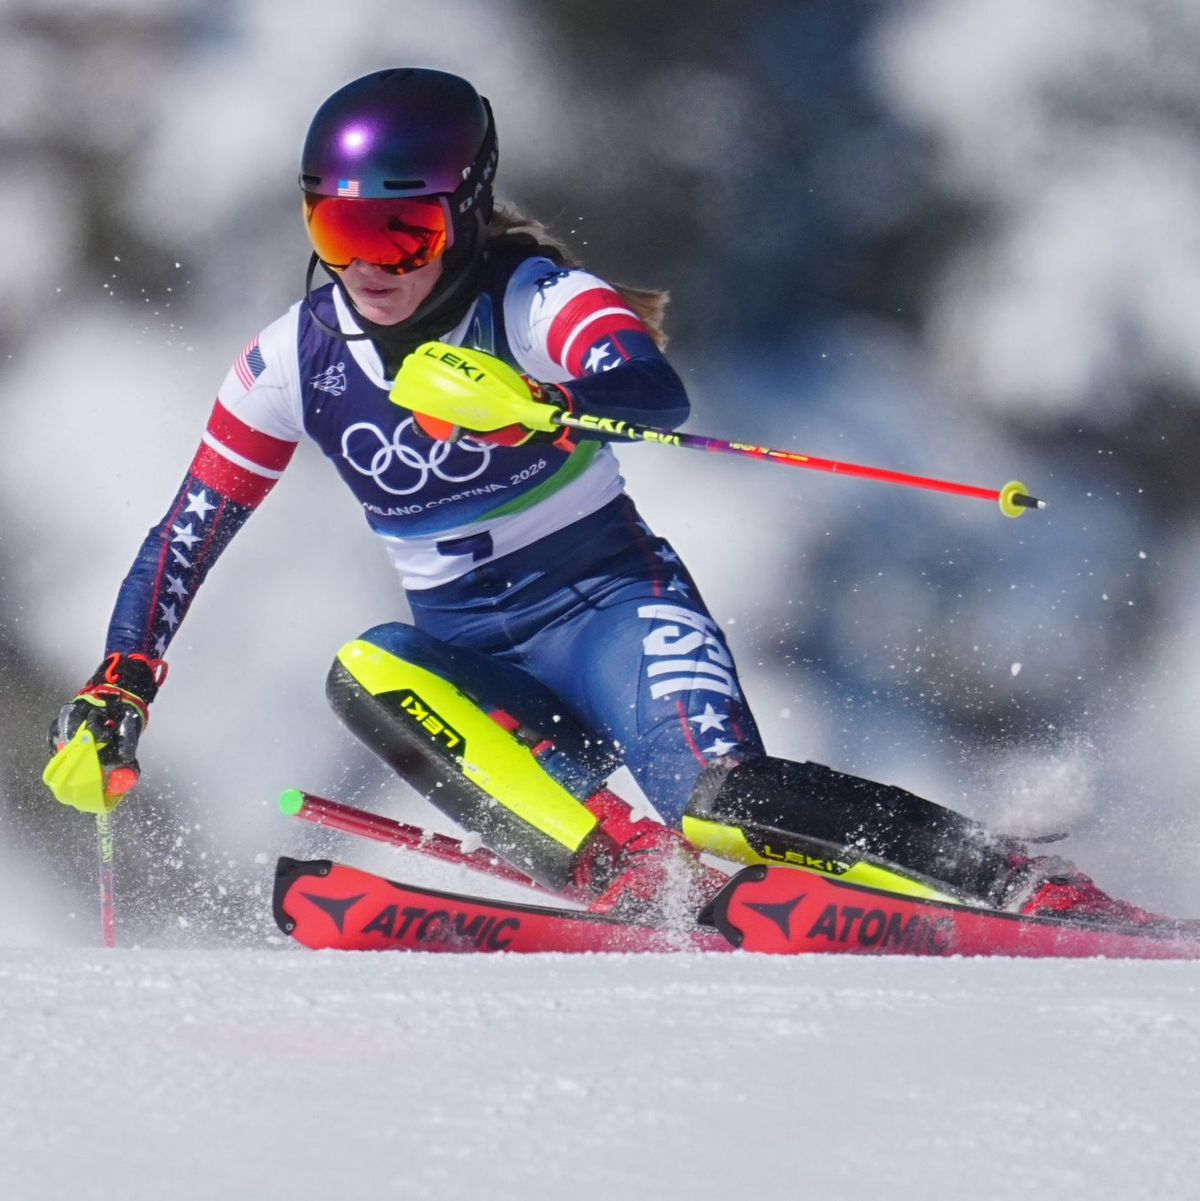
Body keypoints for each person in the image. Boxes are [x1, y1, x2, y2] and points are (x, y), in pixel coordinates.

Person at [45, 67, 1158, 926]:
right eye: (340, 228)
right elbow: (186, 530)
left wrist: (536, 396)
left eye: (406, 229)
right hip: (484, 666)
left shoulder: (529, 297)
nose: (371, 264)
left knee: (723, 801)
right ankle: (627, 880)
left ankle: (1017, 882)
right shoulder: (293, 361)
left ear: (464, 213)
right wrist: (117, 688)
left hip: (616, 614)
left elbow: (651, 386)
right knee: (366, 669)